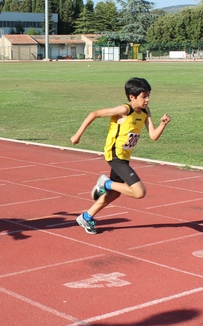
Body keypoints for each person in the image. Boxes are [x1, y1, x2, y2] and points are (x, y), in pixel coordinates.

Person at [70, 77, 171, 234]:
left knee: (116, 193)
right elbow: (94, 113)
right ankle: (105, 183)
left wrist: (163, 125)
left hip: (124, 156)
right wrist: (77, 135)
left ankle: (86, 216)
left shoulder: (145, 111)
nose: (148, 99)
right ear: (132, 97)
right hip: (114, 155)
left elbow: (153, 136)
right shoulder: (124, 110)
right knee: (139, 192)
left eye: (149, 95)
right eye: (144, 96)